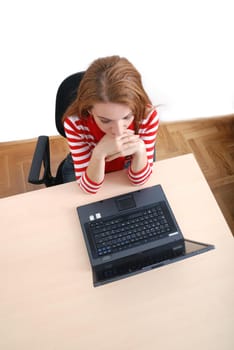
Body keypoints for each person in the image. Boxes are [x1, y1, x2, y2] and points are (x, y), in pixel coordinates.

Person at [62, 55, 159, 194]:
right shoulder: (74, 123)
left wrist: (140, 151)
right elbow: (89, 188)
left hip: (127, 162)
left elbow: (139, 181)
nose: (118, 132)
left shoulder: (147, 116)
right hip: (90, 163)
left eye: (127, 117)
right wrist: (99, 154)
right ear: (89, 109)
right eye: (105, 120)